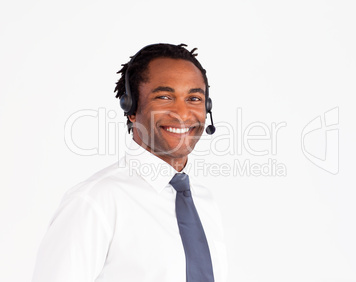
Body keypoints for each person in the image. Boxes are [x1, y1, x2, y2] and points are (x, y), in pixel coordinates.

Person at [32, 43, 227, 282]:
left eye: (194, 98)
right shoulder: (95, 202)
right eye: (164, 97)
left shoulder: (204, 201)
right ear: (131, 108)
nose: (182, 113)